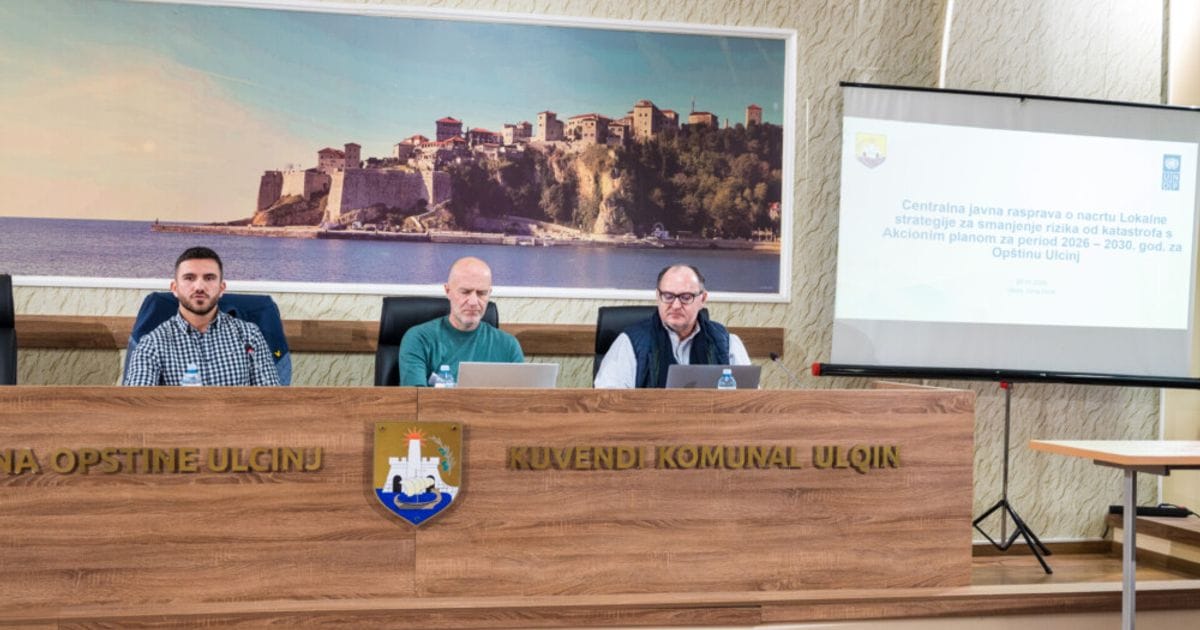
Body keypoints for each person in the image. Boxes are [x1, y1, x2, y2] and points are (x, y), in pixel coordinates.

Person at [123, 247, 281, 387]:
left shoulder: (249, 335)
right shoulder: (152, 344)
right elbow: (138, 405)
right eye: (189, 278)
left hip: (239, 413)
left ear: (221, 288)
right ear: (174, 288)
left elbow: (271, 400)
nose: (199, 287)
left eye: (209, 278)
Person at [594, 264, 750, 388]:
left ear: (702, 299)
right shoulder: (629, 343)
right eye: (668, 296)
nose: (675, 305)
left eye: (686, 297)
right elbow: (609, 401)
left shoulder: (727, 343)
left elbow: (750, 400)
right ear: (658, 296)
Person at [398, 256, 524, 386]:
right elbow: (415, 397)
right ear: (448, 291)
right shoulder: (419, 339)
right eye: (465, 292)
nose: (473, 302)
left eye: (481, 293)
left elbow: (521, 396)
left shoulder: (508, 345)